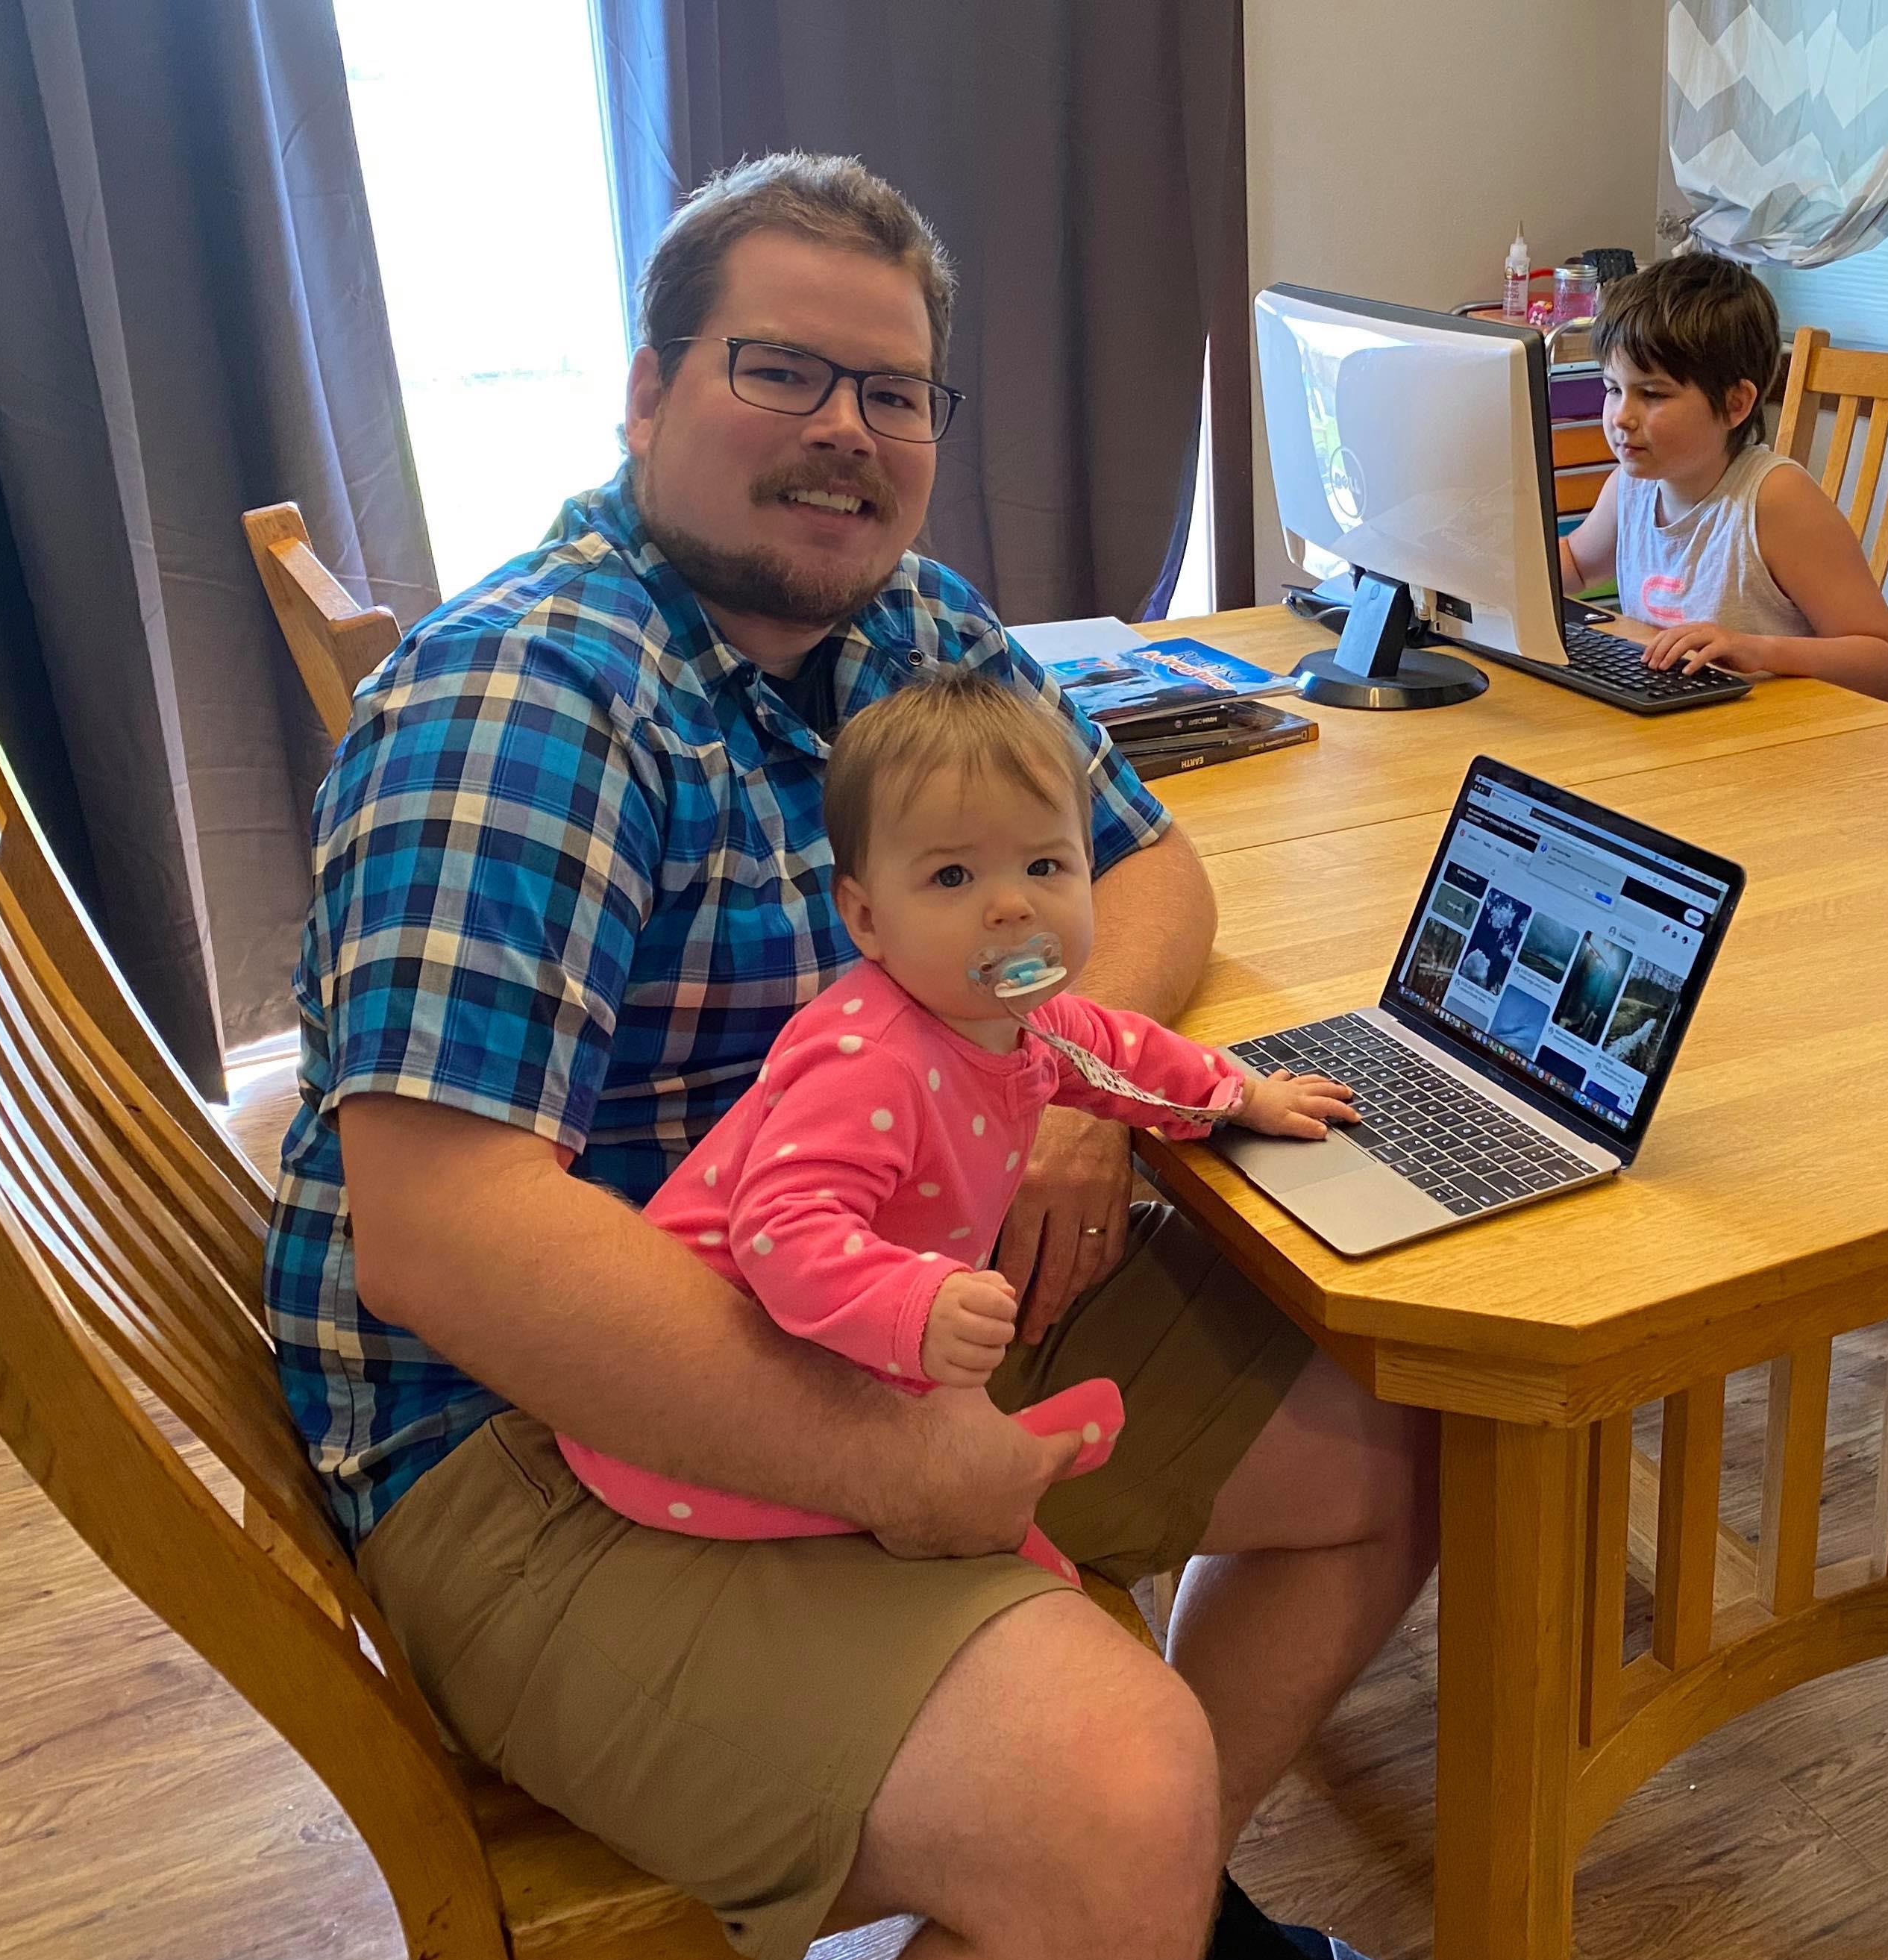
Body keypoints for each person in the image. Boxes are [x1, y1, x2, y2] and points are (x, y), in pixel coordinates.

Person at [266, 151, 1430, 1960]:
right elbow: (448, 1242)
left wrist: (1063, 1100)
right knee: (1105, 1790)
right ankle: (1097, 1875)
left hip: (869, 1297)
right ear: (647, 393)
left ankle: (1118, 1911)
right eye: (778, 372)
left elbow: (1149, 874)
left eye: (892, 392)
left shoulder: (915, 631)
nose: (844, 432)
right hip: (516, 1434)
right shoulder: (529, 698)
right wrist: (903, 1462)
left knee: (1393, 1438)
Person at [557, 671, 1362, 1587]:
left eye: (1046, 867)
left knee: (965, 1452)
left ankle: (1018, 1479)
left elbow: (1124, 1056)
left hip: (840, 1341)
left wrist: (1240, 1097)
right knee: (956, 1509)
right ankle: (1018, 1499)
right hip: (706, 1399)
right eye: (953, 876)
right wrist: (914, 1306)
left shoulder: (1026, 1022)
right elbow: (782, 1231)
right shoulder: (871, 1061)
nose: (1012, 906)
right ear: (866, 918)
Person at [1557, 252, 1888, 697]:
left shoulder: (1775, 498)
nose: (1621, 416)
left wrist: (1758, 650)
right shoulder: (1631, 487)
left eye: (1652, 394)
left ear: (1736, 404)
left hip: (1771, 743)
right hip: (1672, 732)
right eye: (1613, 389)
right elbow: (1573, 564)